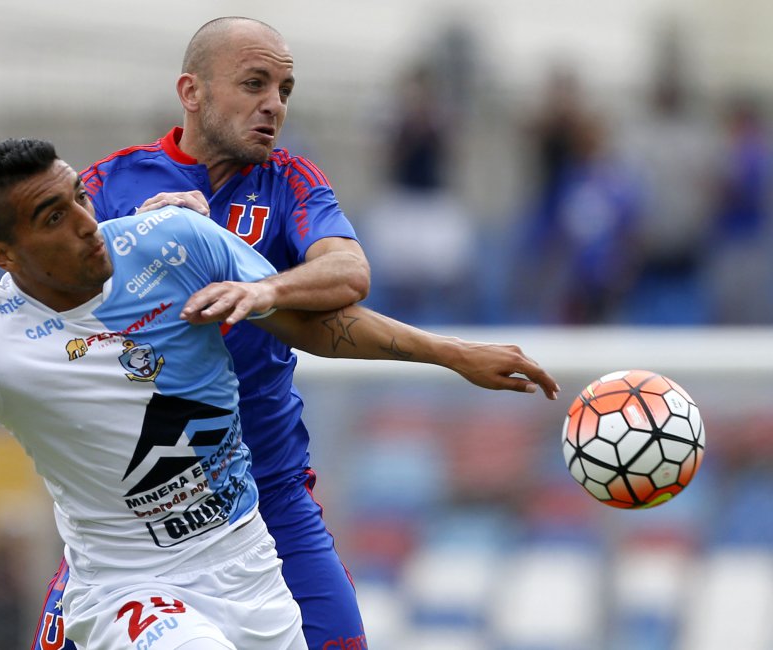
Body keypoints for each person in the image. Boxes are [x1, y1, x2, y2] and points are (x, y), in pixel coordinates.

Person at [0, 139, 559, 649]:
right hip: (130, 591)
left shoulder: (172, 241)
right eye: (53, 217)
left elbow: (313, 324)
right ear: (3, 254)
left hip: (247, 561)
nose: (86, 222)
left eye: (79, 195)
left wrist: (455, 354)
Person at [36, 16, 562, 650]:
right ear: (192, 91)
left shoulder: (289, 183)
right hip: (134, 514)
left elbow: (347, 274)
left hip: (267, 495)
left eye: (285, 89)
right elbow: (45, 309)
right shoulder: (108, 187)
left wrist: (262, 288)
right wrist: (136, 248)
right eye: (254, 83)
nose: (274, 105)